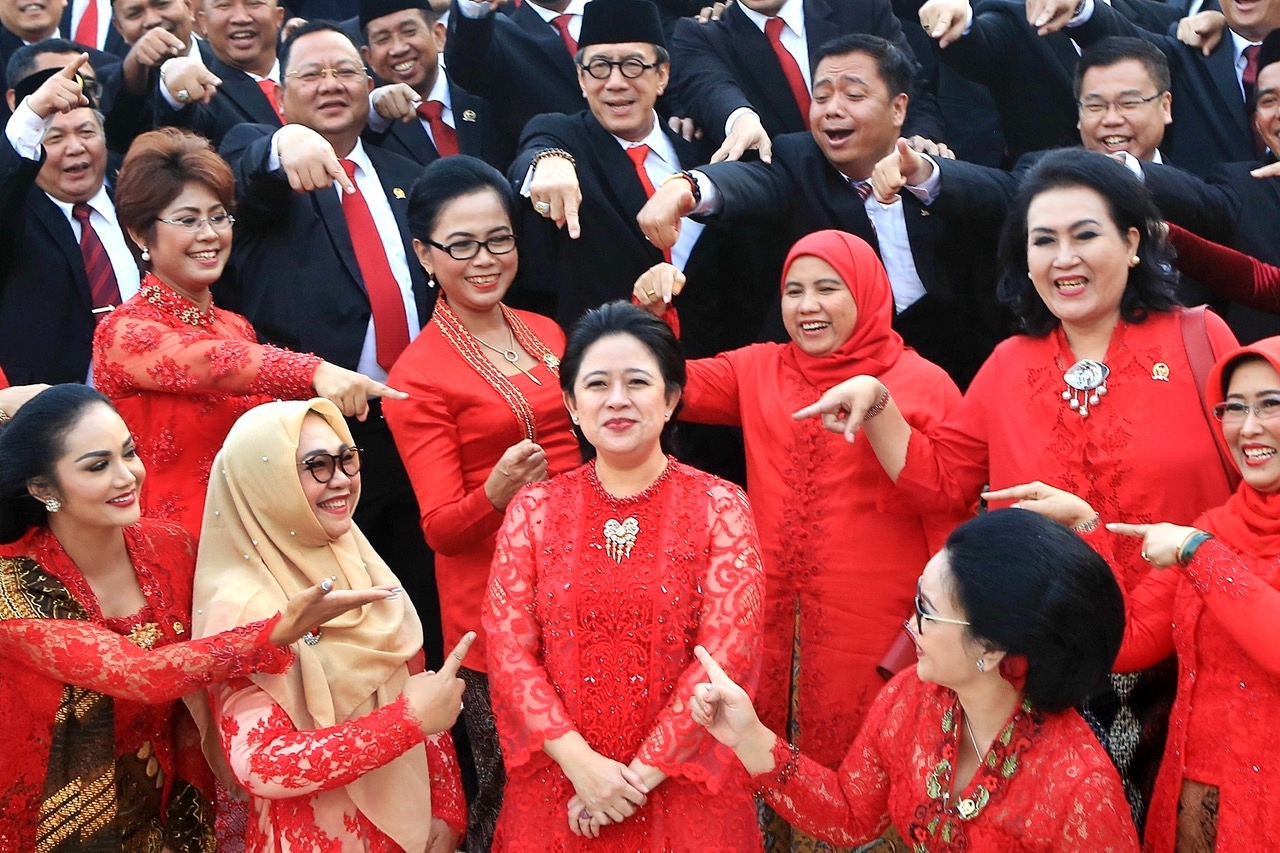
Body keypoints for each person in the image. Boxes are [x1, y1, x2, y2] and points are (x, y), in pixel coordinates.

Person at [793, 148, 1239, 828]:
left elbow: (1252, 486)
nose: (1065, 257)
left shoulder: (1201, 337)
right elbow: (941, 481)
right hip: (1047, 674)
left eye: (1085, 234)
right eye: (1043, 240)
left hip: (1192, 665)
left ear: (1132, 241)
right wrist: (881, 404)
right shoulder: (1008, 364)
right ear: (1025, 261)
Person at [633, 230, 966, 851]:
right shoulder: (759, 368)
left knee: (862, 802)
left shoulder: (921, 384)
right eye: (793, 291)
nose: (807, 306)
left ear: (867, 293)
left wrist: (928, 636)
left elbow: (951, 518)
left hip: (881, 639)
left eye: (827, 289)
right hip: (764, 634)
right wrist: (651, 317)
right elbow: (663, 384)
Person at [0, 384, 396, 850]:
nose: (127, 475)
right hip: (62, 805)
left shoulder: (171, 545)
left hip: (176, 792)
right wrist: (277, 632)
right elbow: (141, 675)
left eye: (129, 453)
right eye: (98, 466)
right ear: (42, 488)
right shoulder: (14, 586)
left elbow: (223, 631)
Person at [483, 302, 766, 851]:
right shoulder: (535, 509)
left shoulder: (720, 505)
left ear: (671, 398)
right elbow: (508, 649)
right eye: (596, 384)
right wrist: (582, 766)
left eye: (637, 381)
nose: (617, 399)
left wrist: (634, 779)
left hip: (680, 787)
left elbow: (726, 656)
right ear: (570, 403)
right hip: (561, 784)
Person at [690, 509, 1139, 851]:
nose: (911, 627)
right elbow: (850, 815)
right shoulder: (913, 698)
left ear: (990, 649)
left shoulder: (1082, 789)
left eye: (926, 611)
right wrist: (748, 736)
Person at [992, 336, 1280, 852]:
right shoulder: (1215, 527)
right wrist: (1087, 528)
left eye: (1270, 405)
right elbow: (1127, 643)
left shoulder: (1200, 543)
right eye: (1234, 408)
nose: (1249, 427)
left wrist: (1199, 553)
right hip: (1193, 809)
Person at [217, 21, 443, 665]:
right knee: (338, 616)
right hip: (316, 434)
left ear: (370, 85)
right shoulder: (263, 169)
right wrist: (282, 143)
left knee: (416, 597)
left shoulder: (406, 172)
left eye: (344, 72)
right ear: (280, 97)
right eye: (310, 75)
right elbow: (234, 166)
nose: (330, 85)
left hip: (414, 418)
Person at [381, 154, 581, 852]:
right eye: (460, 245)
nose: (485, 259)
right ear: (424, 253)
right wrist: (495, 493)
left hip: (584, 585)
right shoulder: (419, 374)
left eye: (499, 239)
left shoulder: (545, 332)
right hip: (499, 618)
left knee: (591, 783)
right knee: (517, 794)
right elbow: (439, 528)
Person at [638, 34, 1007, 388]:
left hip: (946, 366)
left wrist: (922, 174)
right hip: (828, 376)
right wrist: (686, 187)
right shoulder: (798, 161)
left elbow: (1009, 195)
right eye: (822, 96)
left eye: (853, 94)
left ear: (899, 108)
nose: (832, 109)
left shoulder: (932, 171)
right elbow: (750, 182)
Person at [192, 398, 472, 853]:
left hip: (415, 829)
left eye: (346, 459)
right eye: (316, 466)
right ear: (265, 481)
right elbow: (261, 763)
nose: (341, 479)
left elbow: (418, 687)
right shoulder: (239, 604)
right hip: (320, 835)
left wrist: (446, 807)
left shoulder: (360, 560)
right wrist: (405, 723)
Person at [92, 127, 401, 538]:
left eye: (218, 217)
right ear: (138, 233)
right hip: (175, 546)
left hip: (258, 535)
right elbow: (216, 362)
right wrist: (314, 373)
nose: (209, 234)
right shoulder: (123, 330)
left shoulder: (235, 326)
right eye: (188, 220)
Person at [0, 54, 141, 384]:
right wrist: (32, 116)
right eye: (55, 137)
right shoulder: (16, 214)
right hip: (53, 415)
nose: (75, 148)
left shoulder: (140, 201)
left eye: (86, 131)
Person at [360, 0, 513, 170]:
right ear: (369, 58)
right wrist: (374, 110)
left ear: (439, 35)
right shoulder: (372, 124)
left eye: (409, 31)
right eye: (383, 39)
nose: (398, 49)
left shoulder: (485, 89)